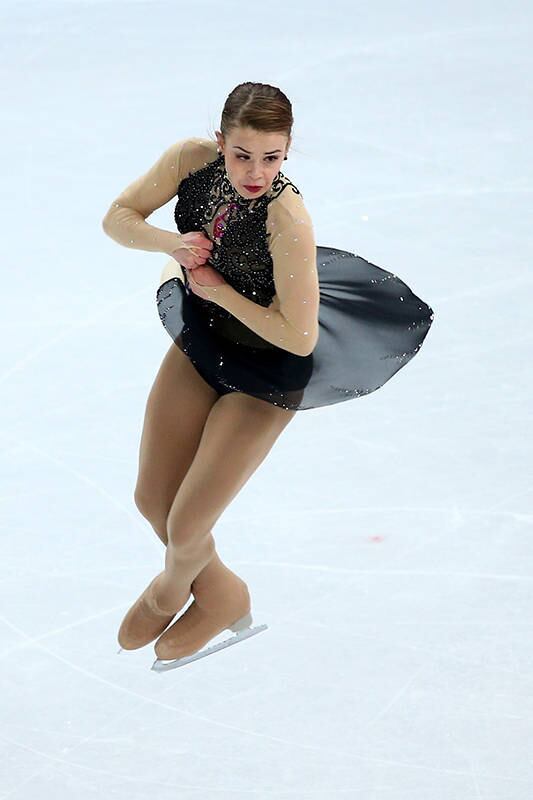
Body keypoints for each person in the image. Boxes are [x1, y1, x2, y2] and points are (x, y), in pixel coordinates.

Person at [102, 81, 434, 669]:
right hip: (203, 342)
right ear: (220, 142)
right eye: (242, 155)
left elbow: (298, 336)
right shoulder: (189, 161)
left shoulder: (287, 217)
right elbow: (118, 218)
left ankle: (169, 593)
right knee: (152, 500)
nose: (255, 172)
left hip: (267, 371)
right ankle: (224, 594)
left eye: (271, 157)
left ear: (287, 150)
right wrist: (172, 244)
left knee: (187, 524)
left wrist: (219, 291)